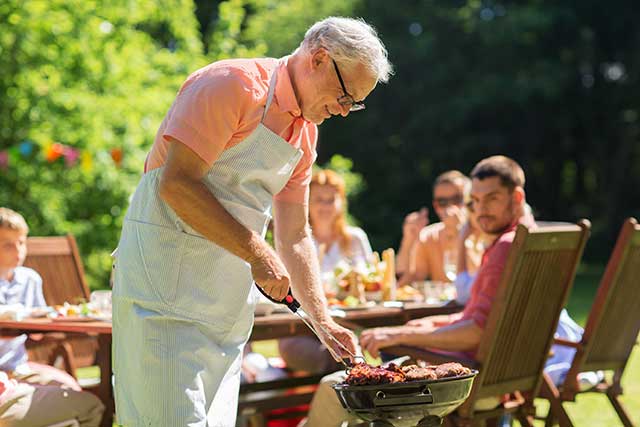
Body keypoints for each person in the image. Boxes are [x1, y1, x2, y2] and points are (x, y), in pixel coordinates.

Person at [112, 17, 393, 427]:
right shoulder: (230, 84)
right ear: (318, 59)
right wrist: (258, 252)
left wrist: (323, 320)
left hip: (225, 312)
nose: (345, 112)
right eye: (346, 96)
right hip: (162, 302)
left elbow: (295, 234)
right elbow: (175, 185)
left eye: (355, 103)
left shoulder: (306, 134)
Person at [300, 156, 533, 427]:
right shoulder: (527, 242)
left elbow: (476, 331)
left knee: (335, 389)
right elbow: (477, 320)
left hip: (463, 382)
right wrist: (421, 326)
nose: (481, 210)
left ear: (517, 197)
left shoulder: (505, 248)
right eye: (476, 201)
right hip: (502, 379)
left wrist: (400, 334)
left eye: (492, 199)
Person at [0, 207, 105, 426]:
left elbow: (39, 325)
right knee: (89, 405)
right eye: (8, 244)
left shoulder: (30, 279)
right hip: (3, 377)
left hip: (19, 367)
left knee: (69, 387)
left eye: (21, 242)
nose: (18, 250)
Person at [278, 169, 373, 374]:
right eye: (319, 199)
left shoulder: (355, 239)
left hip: (351, 322)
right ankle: (357, 379)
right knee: (324, 355)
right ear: (307, 202)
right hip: (301, 329)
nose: (325, 206)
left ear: (341, 203)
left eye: (331, 199)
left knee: (355, 347)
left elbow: (371, 283)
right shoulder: (296, 243)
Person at [396, 170, 474, 286]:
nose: (450, 207)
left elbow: (477, 276)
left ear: (470, 201)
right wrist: (408, 240)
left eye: (457, 199)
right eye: (442, 202)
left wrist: (461, 232)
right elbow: (405, 282)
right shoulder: (429, 236)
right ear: (436, 207)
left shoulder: (483, 232)